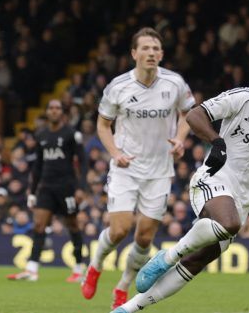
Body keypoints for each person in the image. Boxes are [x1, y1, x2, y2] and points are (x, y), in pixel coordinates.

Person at [114, 57, 249, 313]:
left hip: (244, 201)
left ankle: (127, 309)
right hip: (214, 179)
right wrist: (216, 141)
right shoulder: (242, 98)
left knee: (196, 262)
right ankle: (168, 256)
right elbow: (195, 115)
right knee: (229, 223)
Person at [81, 27, 194, 310]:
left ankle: (123, 286)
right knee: (119, 230)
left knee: (144, 238)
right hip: (126, 168)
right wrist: (115, 153)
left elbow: (188, 114)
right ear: (134, 53)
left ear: (161, 54)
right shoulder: (118, 86)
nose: (151, 53)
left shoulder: (174, 83)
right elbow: (103, 125)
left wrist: (180, 138)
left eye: (155, 48)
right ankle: (95, 265)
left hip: (159, 171)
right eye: (145, 48)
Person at [7, 99, 88, 282]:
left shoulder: (71, 134)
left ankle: (78, 269)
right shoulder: (41, 135)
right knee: (39, 225)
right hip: (46, 187)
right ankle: (32, 269)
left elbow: (83, 162)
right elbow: (38, 165)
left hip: (67, 187)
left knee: (73, 225)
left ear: (62, 112)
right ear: (47, 112)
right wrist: (32, 191)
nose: (54, 111)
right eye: (51, 108)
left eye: (57, 108)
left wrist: (81, 188)